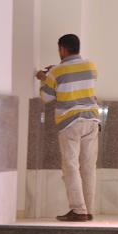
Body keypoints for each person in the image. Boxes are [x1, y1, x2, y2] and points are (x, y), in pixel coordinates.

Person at [35, 34, 101, 222]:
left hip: (70, 122)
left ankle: (78, 210)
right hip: (91, 120)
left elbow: (46, 97)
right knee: (89, 167)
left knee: (71, 166)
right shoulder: (91, 66)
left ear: (62, 49)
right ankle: (88, 209)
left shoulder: (57, 72)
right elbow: (79, 82)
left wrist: (44, 78)